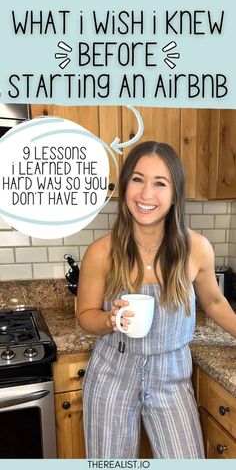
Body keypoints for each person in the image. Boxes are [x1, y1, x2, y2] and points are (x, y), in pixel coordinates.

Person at [76, 141, 236, 459]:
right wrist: (109, 320)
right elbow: (85, 314)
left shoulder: (196, 248)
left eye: (160, 183)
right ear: (125, 186)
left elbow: (215, 303)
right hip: (112, 373)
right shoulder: (101, 252)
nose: (146, 194)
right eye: (137, 179)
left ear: (175, 193)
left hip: (171, 373)